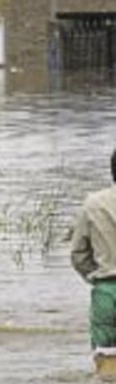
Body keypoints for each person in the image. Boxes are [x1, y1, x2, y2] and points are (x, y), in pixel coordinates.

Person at [70, 148, 116, 370]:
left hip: (106, 290)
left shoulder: (93, 203)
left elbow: (79, 254)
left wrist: (98, 279)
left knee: (107, 363)